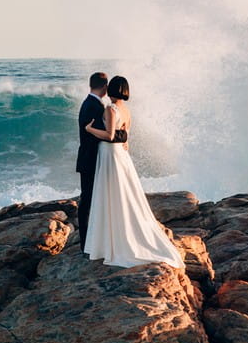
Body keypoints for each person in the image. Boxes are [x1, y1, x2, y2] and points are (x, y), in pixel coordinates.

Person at [83, 76, 185, 269]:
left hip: (110, 154)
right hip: (120, 153)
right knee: (122, 193)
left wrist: (90, 130)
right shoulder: (127, 110)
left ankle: (112, 241)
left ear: (110, 89)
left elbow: (110, 135)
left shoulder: (110, 109)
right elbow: (125, 135)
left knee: (112, 193)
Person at [75, 72, 127, 254]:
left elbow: (107, 134)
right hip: (90, 160)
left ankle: (95, 240)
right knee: (87, 200)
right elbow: (109, 136)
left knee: (94, 199)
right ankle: (86, 244)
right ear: (105, 87)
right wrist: (124, 134)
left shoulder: (95, 104)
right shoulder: (93, 107)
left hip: (97, 159)